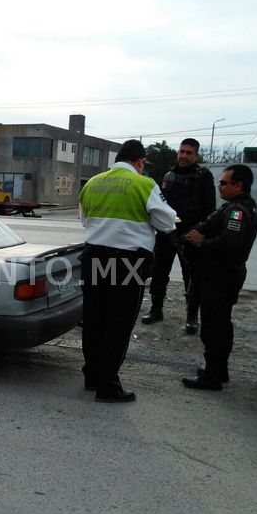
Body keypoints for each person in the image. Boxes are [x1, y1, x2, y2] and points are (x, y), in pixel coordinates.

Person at [79, 139, 177, 402]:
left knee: (94, 319)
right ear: (140, 162)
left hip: (95, 257)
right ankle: (107, 387)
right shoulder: (144, 184)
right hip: (128, 263)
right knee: (118, 323)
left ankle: (91, 376)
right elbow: (166, 222)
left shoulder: (92, 183)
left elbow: (84, 220)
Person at [181, 164, 257, 390]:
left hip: (220, 275)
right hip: (223, 274)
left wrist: (200, 242)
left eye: (225, 183)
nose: (220, 186)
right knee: (221, 324)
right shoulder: (241, 207)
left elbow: (230, 245)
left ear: (238, 185)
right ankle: (218, 369)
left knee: (214, 326)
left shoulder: (237, 211)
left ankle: (213, 376)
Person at [141, 138, 215, 334]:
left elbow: (210, 210)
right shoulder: (169, 174)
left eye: (189, 153)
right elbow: (159, 205)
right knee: (158, 273)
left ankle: (192, 317)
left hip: (191, 236)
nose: (184, 156)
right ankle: (156, 310)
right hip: (167, 234)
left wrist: (199, 232)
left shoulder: (204, 176)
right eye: (181, 151)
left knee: (191, 277)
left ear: (196, 155)